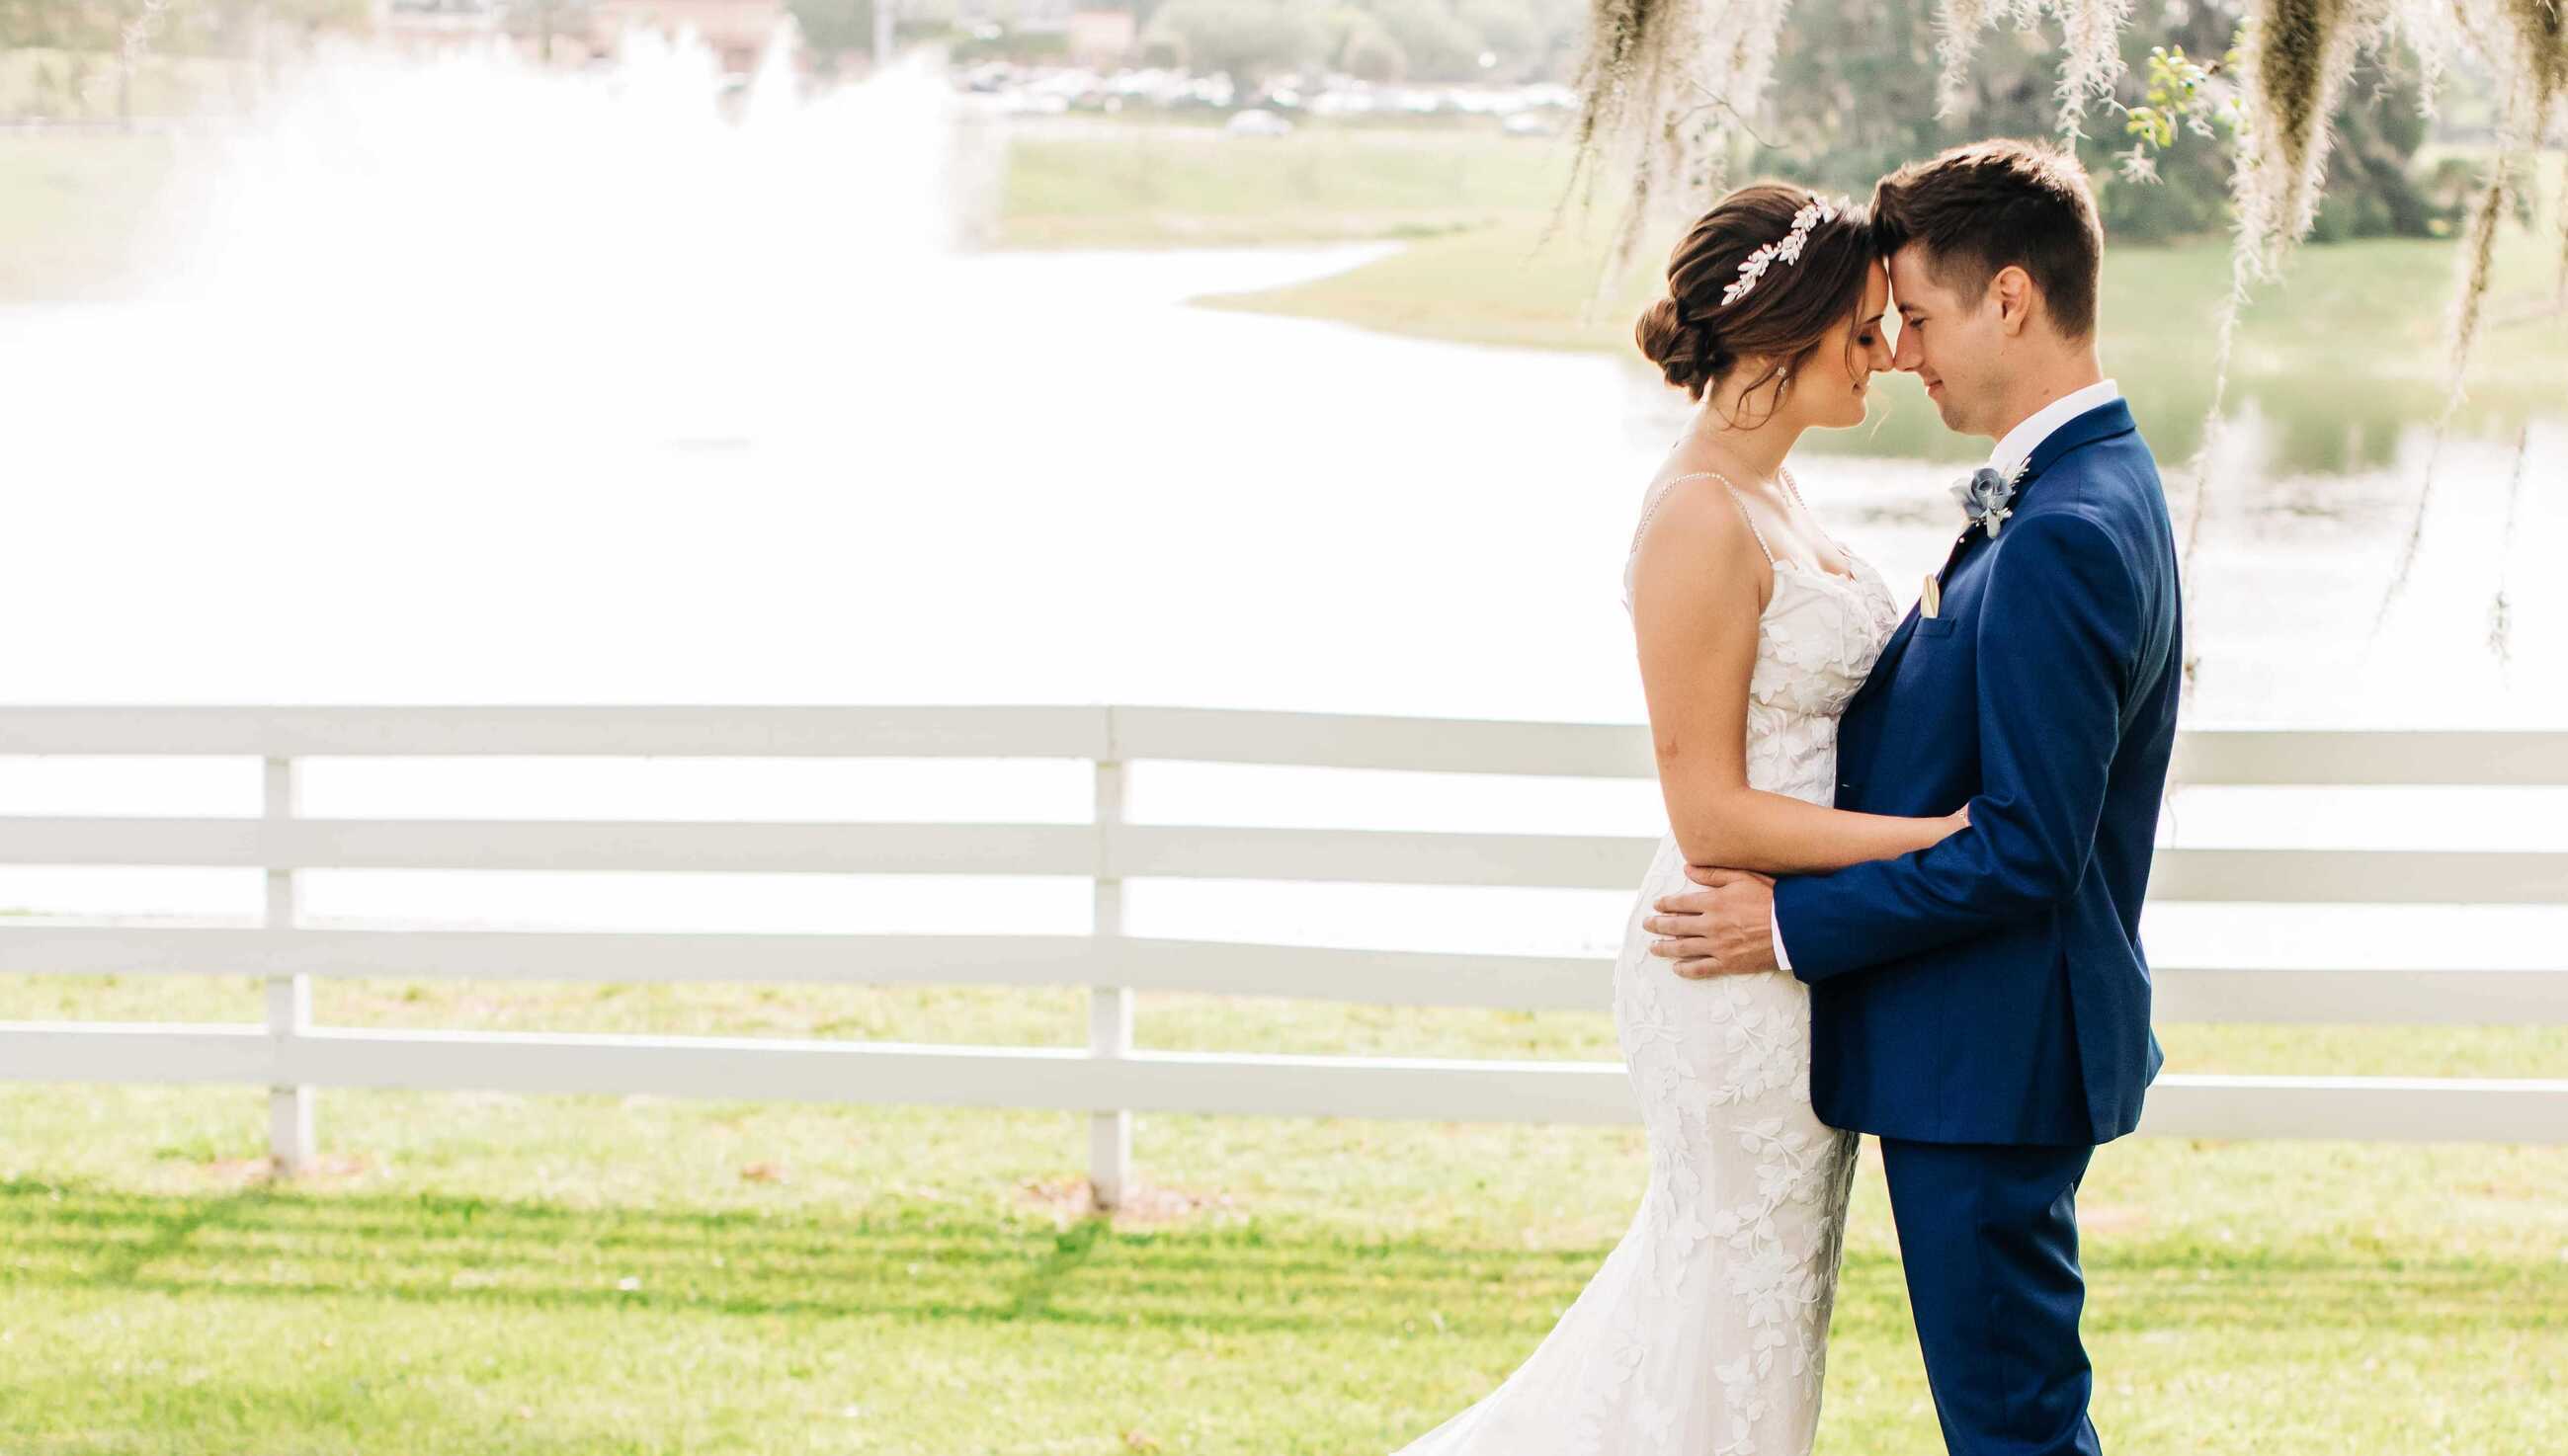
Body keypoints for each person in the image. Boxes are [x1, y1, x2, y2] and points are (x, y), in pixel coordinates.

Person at [1388, 179, 1963, 1455]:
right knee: (1728, 1304)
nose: (1884, 353)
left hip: (1798, 950)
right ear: (1783, 334)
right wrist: (1932, 846)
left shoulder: (1780, 496)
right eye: (1862, 329)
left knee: (1759, 1306)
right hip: (1730, 963)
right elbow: (1707, 806)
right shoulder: (1699, 515)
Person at [1644, 138, 2183, 1456]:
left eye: (1920, 317)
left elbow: (2026, 849)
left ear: (2009, 298)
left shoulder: (2062, 525)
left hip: (1991, 1058)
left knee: (2016, 1432)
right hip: (1965, 1045)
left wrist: (1784, 928)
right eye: (1881, 326)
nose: (1902, 351)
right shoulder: (2081, 483)